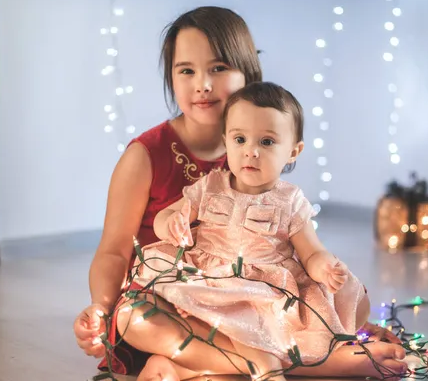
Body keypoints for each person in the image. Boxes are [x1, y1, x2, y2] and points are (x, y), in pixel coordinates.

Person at [73, 6, 408, 381]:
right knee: (136, 317)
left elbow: (292, 238)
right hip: (176, 302)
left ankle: (193, 369)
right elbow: (114, 249)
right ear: (171, 77)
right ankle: (315, 364)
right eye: (186, 70)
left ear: (247, 72)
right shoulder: (146, 156)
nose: (202, 84)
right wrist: (99, 309)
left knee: (348, 299)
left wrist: (326, 281)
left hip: (251, 300)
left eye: (218, 68)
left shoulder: (262, 144)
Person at [139, 81, 406, 381]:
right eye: (240, 139)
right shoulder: (210, 186)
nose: (250, 152)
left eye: (266, 142)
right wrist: (170, 223)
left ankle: (187, 366)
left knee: (346, 304)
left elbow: (311, 251)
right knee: (145, 309)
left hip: (264, 292)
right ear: (226, 141)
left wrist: (324, 269)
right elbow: (168, 216)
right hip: (210, 281)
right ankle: (262, 362)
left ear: (293, 151)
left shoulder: (289, 200)